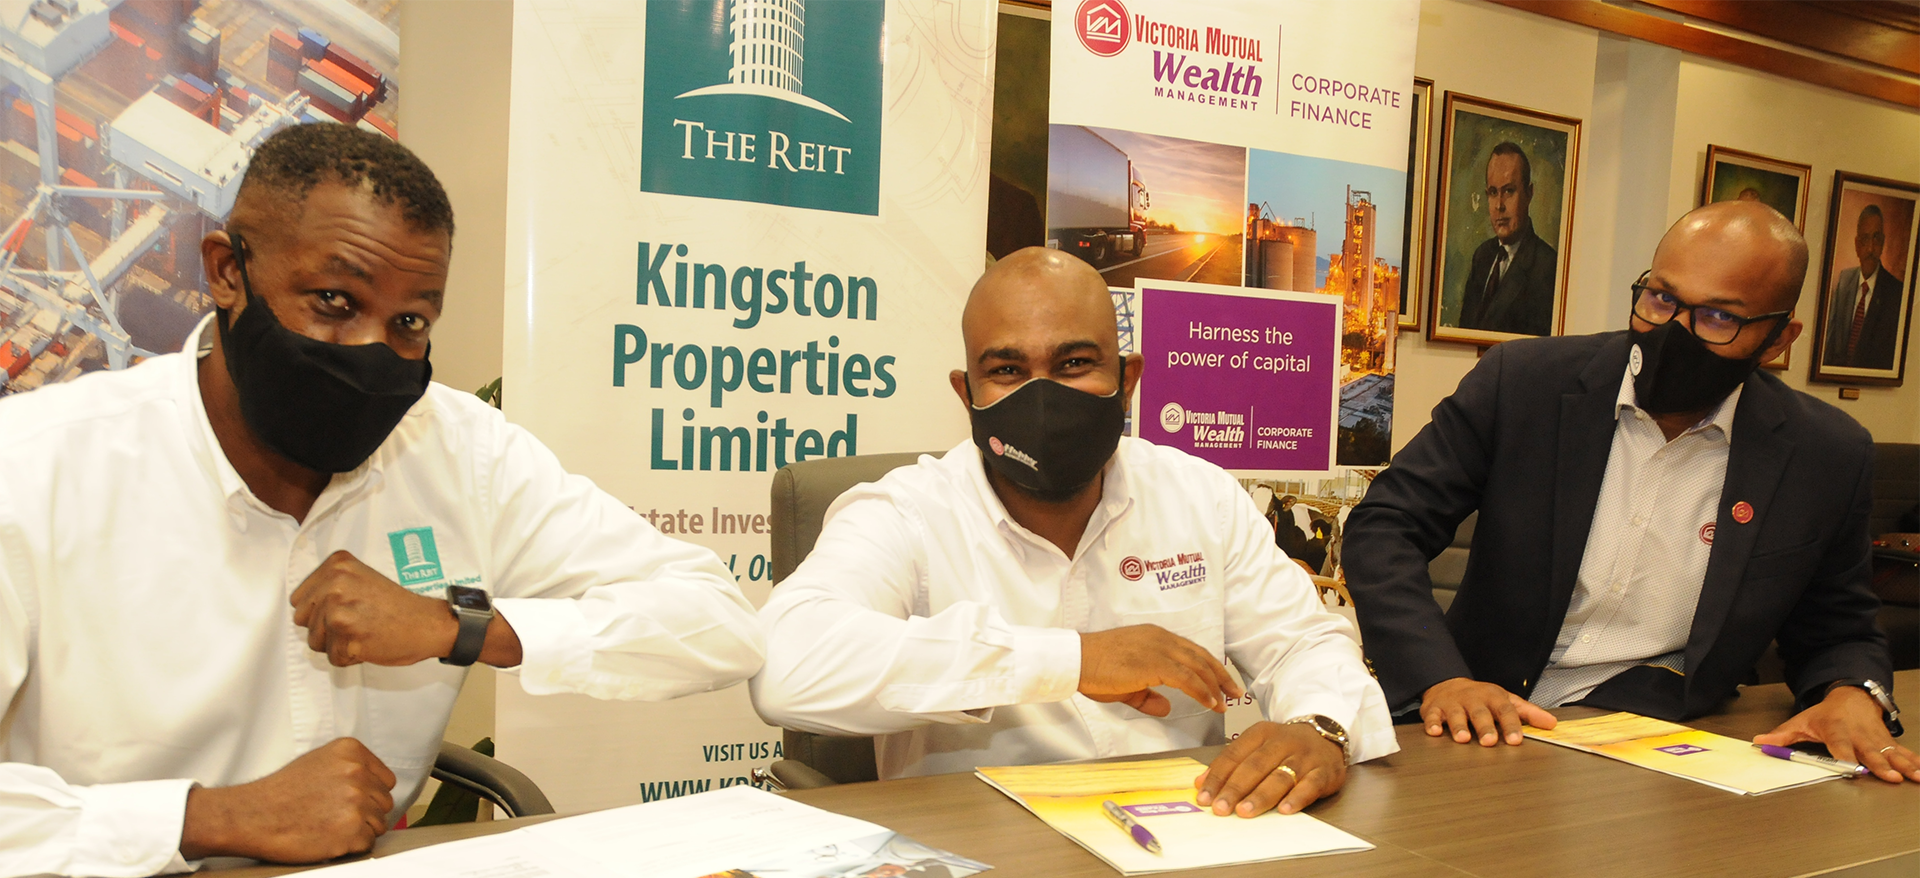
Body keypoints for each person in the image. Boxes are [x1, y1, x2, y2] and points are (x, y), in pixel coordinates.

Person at [0, 124, 766, 876]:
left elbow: (718, 624)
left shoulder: (460, 451)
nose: (372, 350)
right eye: (334, 301)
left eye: (408, 323)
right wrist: (213, 818)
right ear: (228, 271)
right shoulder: (36, 469)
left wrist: (459, 624)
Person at [751, 247, 1395, 820]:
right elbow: (787, 663)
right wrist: (1069, 661)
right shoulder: (907, 511)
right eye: (1006, 370)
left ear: (1128, 380)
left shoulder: (1200, 495)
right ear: (966, 393)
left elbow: (1304, 643)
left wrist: (1321, 725)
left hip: (1183, 838)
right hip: (982, 852)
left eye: (1074, 363)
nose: (1042, 399)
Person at [1345, 200, 1917, 785]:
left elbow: (1838, 624)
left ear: (1778, 339)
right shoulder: (1523, 382)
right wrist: (1440, 676)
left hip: (1659, 744)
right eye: (1662, 298)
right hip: (1477, 724)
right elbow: (1386, 524)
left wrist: (1853, 690)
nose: (1675, 331)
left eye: (1719, 317)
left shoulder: (1824, 452)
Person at [1457, 142, 1558, 336]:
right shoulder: (1482, 256)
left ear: (1529, 194)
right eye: (1493, 193)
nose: (1499, 205)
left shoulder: (1547, 267)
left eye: (1509, 191)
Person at [1820, 204, 1904, 370]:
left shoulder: (1896, 292)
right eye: (1865, 239)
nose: (1871, 248)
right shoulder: (1843, 281)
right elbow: (1829, 342)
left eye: (1876, 238)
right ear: (1857, 244)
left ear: (1883, 243)